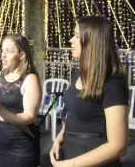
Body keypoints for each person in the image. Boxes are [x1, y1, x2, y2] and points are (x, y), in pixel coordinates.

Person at [49, 16, 128, 167]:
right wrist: (59, 139)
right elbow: (74, 115)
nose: (71, 40)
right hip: (70, 150)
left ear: (92, 41)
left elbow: (118, 146)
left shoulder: (113, 85)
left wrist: (70, 164)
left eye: (77, 35)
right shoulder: (78, 76)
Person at [0, 34, 42, 167]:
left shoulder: (30, 79)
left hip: (20, 145)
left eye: (9, 51)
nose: (3, 55)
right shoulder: (0, 76)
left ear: (22, 55)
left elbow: (30, 116)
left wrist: (6, 117)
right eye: (2, 50)